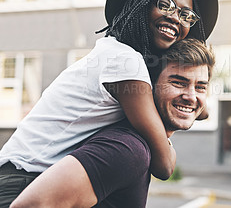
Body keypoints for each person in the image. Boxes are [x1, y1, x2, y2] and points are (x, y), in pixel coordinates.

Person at [0, 0, 218, 206]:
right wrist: (188, 114)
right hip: (20, 184)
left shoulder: (113, 54)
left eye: (186, 15)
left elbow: (196, 112)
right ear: (142, 3)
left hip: (30, 179)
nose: (175, 17)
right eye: (166, 4)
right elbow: (164, 165)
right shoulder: (124, 61)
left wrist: (192, 104)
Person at [9, 38, 215, 208]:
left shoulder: (145, 143)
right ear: (148, 86)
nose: (190, 96)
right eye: (178, 82)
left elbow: (199, 108)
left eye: (200, 87)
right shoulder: (127, 149)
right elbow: (30, 205)